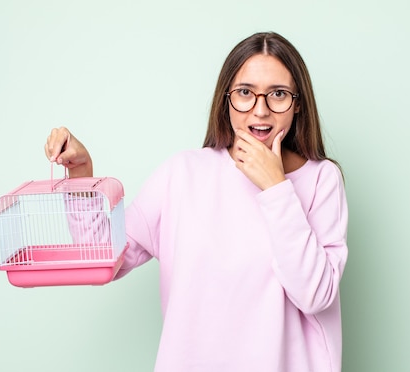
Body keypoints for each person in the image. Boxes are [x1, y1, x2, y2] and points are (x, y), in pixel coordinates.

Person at [45, 31, 348, 372]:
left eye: (278, 94)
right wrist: (82, 173)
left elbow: (314, 295)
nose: (260, 110)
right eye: (246, 93)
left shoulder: (322, 179)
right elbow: (100, 258)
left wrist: (276, 187)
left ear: (297, 103)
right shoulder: (182, 173)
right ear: (226, 99)